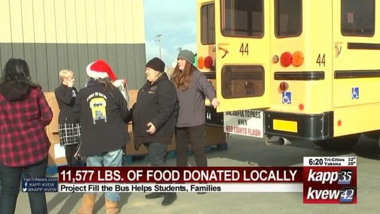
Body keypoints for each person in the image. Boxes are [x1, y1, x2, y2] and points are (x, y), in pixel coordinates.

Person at [73, 59, 130, 214]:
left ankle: (87, 207)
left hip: (92, 141)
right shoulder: (114, 91)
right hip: (113, 139)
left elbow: (76, 116)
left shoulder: (82, 93)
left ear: (91, 76)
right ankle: (111, 207)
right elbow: (125, 114)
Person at [0, 58, 53, 214]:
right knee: (36, 190)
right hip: (35, 147)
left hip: (8, 150)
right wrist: (34, 126)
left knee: (8, 193)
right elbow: (47, 116)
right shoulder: (35, 91)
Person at [131, 57, 179, 206]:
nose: (146, 72)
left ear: (157, 71)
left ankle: (170, 192)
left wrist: (156, 124)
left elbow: (167, 109)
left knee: (157, 159)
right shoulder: (146, 87)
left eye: (148, 70)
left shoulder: (165, 86)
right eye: (146, 70)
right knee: (156, 160)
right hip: (147, 131)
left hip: (160, 131)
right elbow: (138, 106)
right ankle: (161, 188)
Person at [171, 50, 219, 185]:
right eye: (178, 59)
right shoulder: (174, 77)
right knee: (180, 151)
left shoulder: (197, 76)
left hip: (195, 122)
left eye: (182, 59)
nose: (179, 61)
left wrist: (213, 98)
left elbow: (208, 87)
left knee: (198, 151)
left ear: (189, 62)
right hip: (179, 122)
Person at [55, 69, 82, 167]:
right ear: (64, 79)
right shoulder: (59, 90)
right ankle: (71, 167)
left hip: (76, 120)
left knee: (79, 145)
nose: (73, 80)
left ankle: (79, 166)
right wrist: (69, 88)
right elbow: (67, 100)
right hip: (67, 121)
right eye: (71, 78)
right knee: (70, 147)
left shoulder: (74, 89)